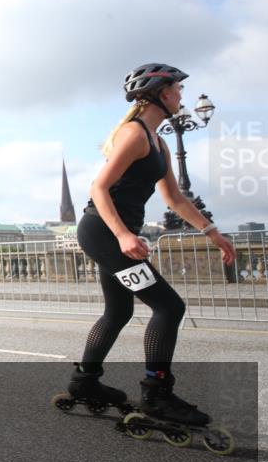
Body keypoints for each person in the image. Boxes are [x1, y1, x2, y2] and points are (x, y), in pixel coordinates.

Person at [67, 63, 235, 425]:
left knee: (118, 312)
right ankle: (156, 394)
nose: (181, 96)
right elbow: (98, 188)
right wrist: (123, 235)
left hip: (114, 234)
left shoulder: (158, 141)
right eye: (178, 90)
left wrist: (213, 232)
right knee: (169, 307)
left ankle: (85, 381)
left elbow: (174, 198)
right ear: (161, 93)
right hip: (104, 232)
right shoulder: (135, 133)